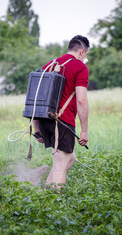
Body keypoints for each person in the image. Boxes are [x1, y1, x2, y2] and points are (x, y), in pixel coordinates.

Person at [33, 35, 90, 188]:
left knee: (68, 159)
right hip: (62, 122)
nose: (85, 59)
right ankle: (55, 209)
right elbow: (82, 100)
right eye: (86, 55)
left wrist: (37, 128)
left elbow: (36, 97)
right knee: (60, 167)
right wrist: (84, 130)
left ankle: (45, 195)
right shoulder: (80, 67)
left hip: (44, 120)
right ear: (82, 52)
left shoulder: (49, 65)